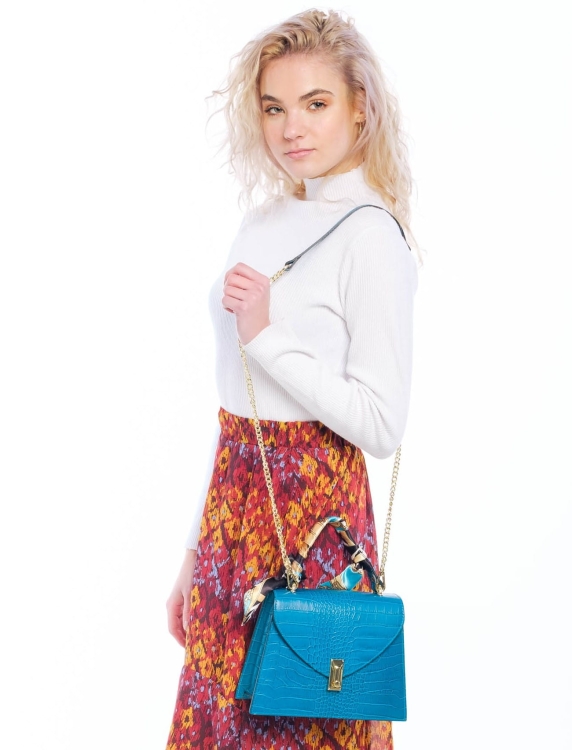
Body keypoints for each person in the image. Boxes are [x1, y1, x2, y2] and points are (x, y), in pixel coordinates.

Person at [165, 9, 419, 750]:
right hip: (233, 504)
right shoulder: (264, 220)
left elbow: (382, 424)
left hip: (313, 526)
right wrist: (194, 551)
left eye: (315, 103)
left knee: (303, 724)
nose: (291, 128)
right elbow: (236, 409)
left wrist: (268, 336)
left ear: (359, 108)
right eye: (274, 107)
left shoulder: (371, 236)